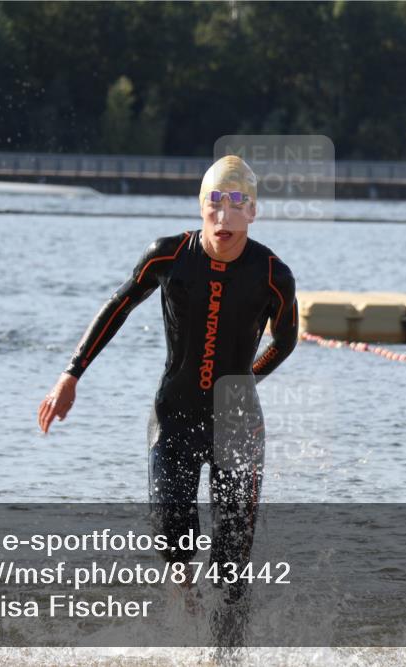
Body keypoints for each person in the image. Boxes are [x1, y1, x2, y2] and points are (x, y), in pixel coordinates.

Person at [38, 155, 298, 608]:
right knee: (171, 540)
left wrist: (245, 381)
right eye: (215, 203)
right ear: (201, 207)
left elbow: (286, 341)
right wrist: (71, 373)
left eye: (238, 204)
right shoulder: (169, 255)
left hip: (237, 425)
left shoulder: (274, 276)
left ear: (253, 212)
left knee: (231, 567)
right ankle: (187, 602)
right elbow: (117, 307)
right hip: (174, 419)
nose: (225, 217)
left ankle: (227, 653)